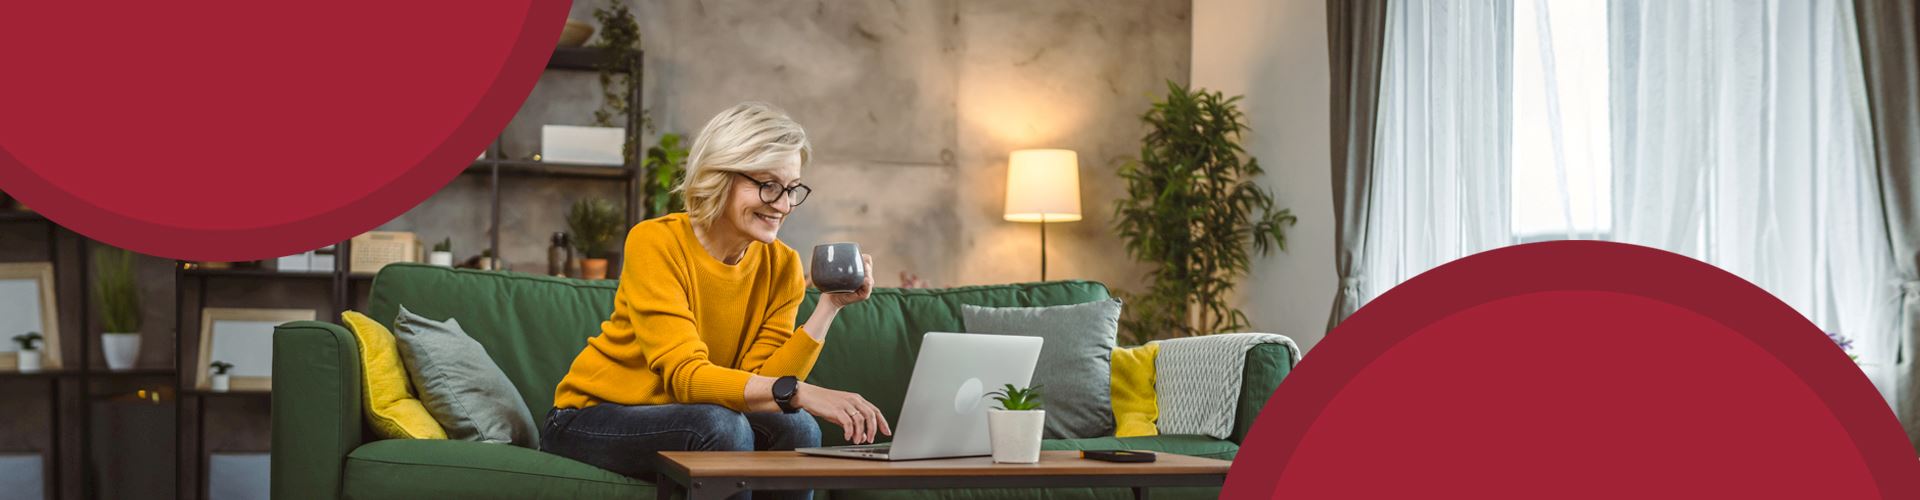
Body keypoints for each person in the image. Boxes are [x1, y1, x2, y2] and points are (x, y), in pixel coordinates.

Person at [541, 102, 890, 499]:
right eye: (768, 185)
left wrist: (829, 307)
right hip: (590, 417)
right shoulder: (656, 242)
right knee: (721, 426)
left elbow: (764, 379)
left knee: (799, 427)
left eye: (792, 188)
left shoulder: (782, 266)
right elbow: (685, 376)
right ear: (719, 176)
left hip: (696, 417)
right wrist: (800, 391)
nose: (783, 205)